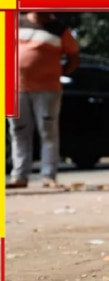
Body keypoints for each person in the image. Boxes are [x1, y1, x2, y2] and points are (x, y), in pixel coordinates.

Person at [7, 12, 79, 189]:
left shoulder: (60, 29)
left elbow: (74, 56)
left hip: (48, 89)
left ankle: (48, 176)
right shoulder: (15, 22)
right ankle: (19, 176)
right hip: (14, 87)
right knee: (18, 131)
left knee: (48, 132)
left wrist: (58, 72)